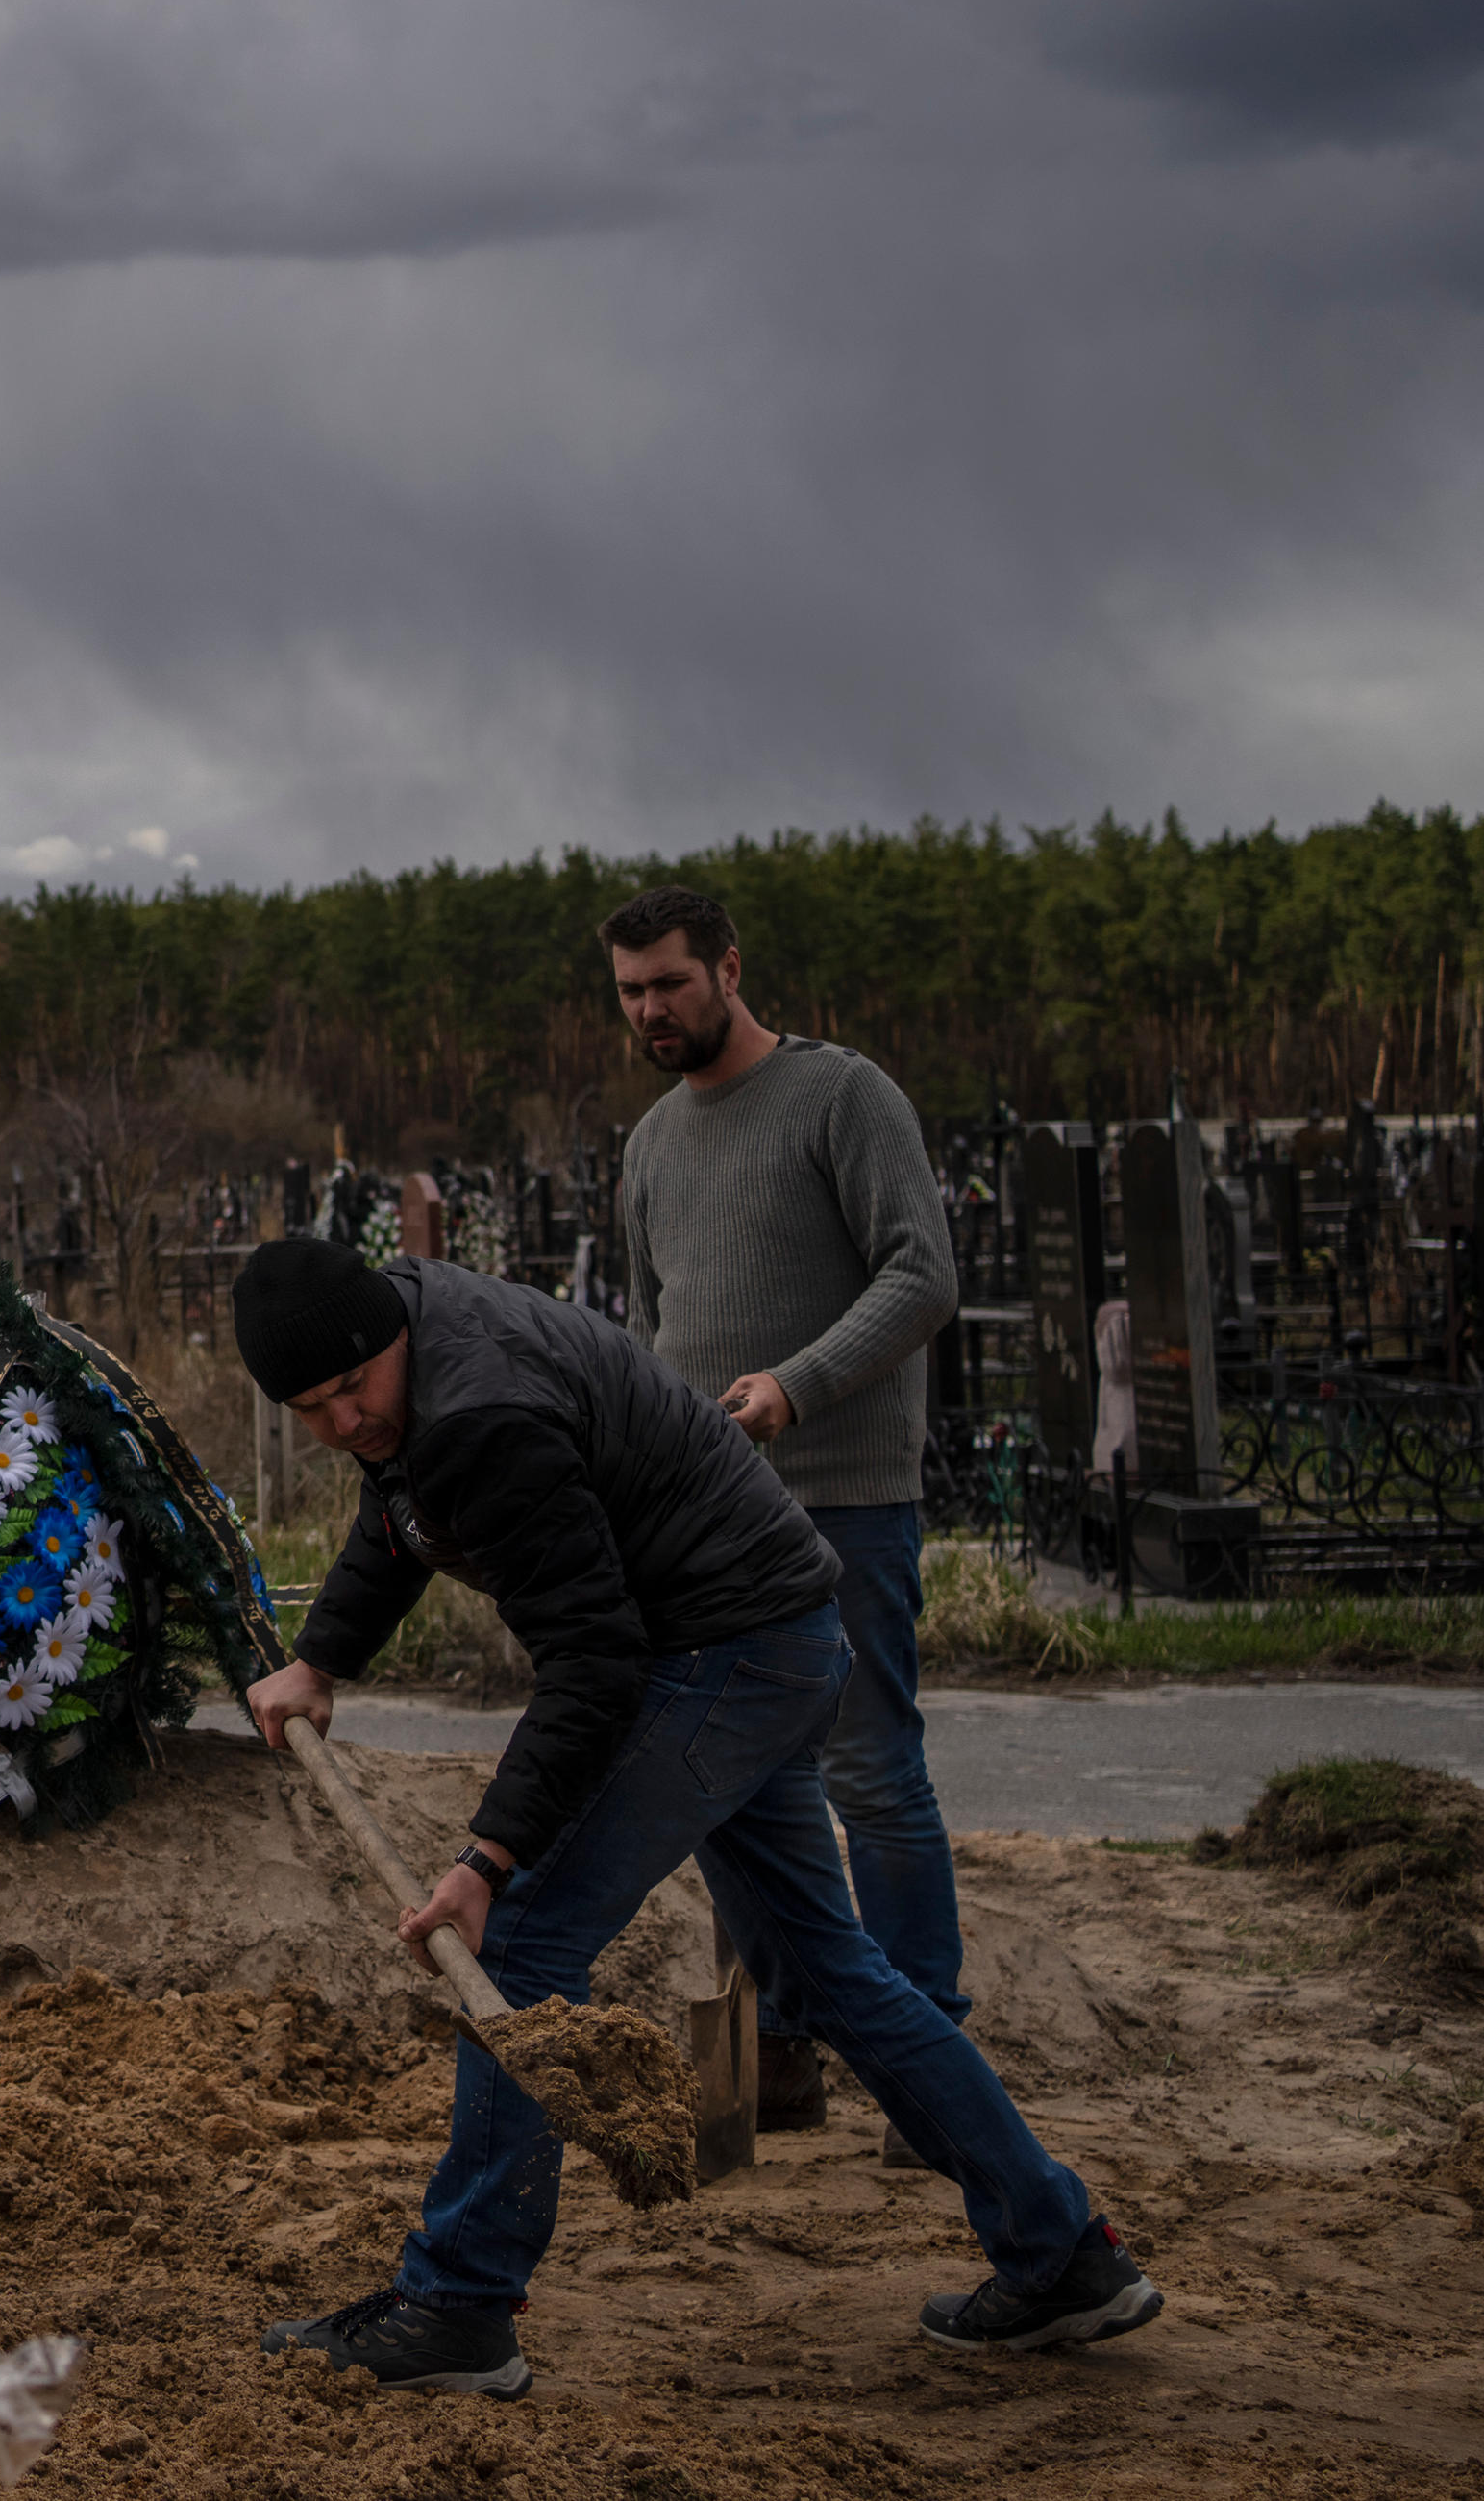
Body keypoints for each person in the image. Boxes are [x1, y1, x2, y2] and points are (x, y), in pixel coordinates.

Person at [232, 1235, 1159, 2399]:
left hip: (719, 1654)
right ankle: (1062, 2251)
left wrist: (487, 1857)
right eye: (307, 1409)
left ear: (389, 1339)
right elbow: (400, 1505)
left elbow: (590, 1665)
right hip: (766, 1634)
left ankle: (458, 2306)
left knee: (514, 1947)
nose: (340, 1424)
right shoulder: (409, 1349)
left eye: (350, 1391)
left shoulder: (480, 1409)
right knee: (826, 1968)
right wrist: (320, 1657)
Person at [603, 886, 965, 2147]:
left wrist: (795, 1389)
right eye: (631, 990)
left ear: (730, 970)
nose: (652, 1008)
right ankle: (782, 2055)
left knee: (870, 1775)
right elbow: (657, 1332)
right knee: (732, 1789)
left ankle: (930, 2076)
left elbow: (924, 1273)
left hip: (843, 1500)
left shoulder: (841, 1097)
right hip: (711, 1520)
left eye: (671, 983)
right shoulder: (649, 1144)